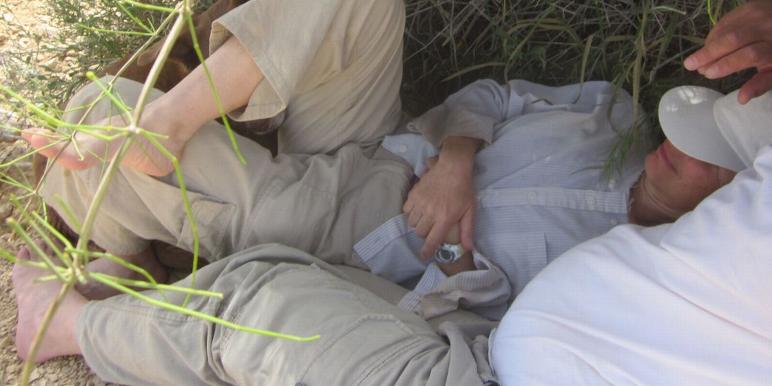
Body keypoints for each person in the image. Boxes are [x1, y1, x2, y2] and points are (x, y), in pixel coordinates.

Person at [11, 0, 772, 384]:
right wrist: (457, 158)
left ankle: (110, 254)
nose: (677, 145)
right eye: (688, 125)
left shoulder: (644, 288)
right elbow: (497, 95)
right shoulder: (612, 114)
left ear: (739, 198)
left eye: (710, 159)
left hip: (374, 258)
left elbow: (479, 338)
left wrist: (447, 258)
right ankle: (169, 128)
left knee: (101, 111)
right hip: (383, 154)